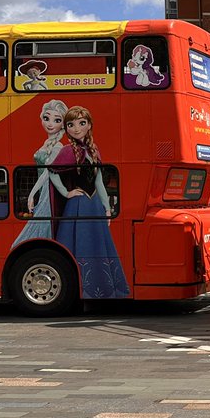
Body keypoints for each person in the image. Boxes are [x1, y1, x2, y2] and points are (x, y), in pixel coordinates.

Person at [49, 106, 130, 298]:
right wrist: (66, 193)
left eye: (81, 123)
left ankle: (100, 288)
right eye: (71, 124)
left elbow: (99, 181)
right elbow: (51, 172)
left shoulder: (93, 150)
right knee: (80, 245)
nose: (76, 128)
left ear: (89, 125)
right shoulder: (68, 150)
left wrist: (107, 208)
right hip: (77, 206)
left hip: (94, 206)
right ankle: (80, 289)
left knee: (97, 245)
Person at [13, 100, 69, 246]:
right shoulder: (47, 143)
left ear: (62, 124)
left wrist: (32, 193)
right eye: (46, 118)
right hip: (43, 192)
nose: (50, 124)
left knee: (33, 235)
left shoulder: (58, 146)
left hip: (48, 192)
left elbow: (48, 172)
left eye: (56, 120)